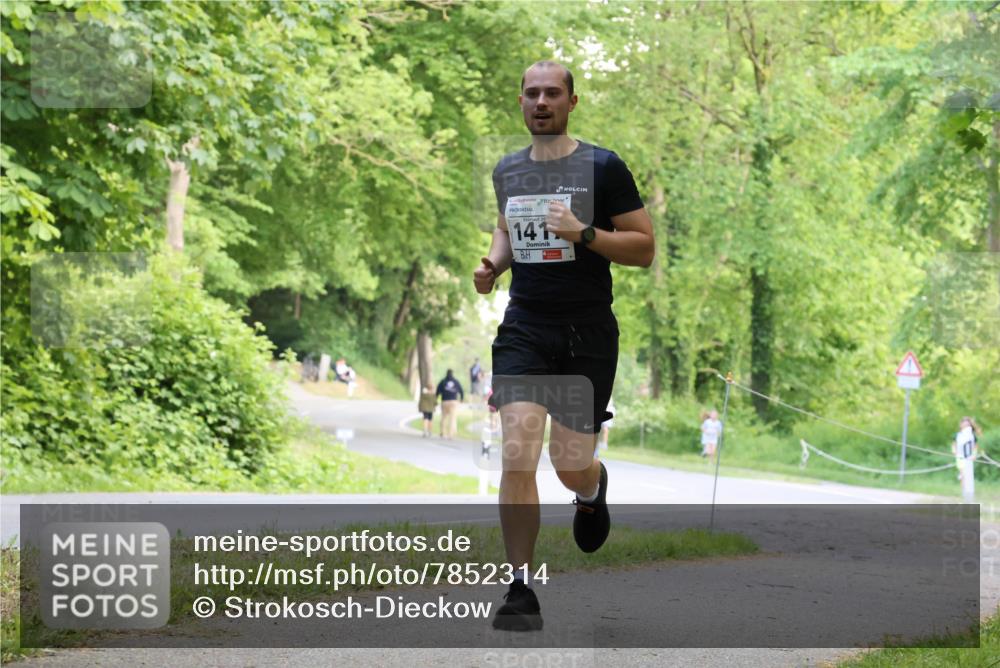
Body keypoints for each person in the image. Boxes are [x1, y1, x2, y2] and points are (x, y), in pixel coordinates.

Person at [473, 60, 654, 631]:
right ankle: (520, 590)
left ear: (573, 102)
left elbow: (644, 247)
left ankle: (592, 488)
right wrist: (494, 266)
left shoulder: (603, 166)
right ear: (520, 102)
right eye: (532, 93)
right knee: (518, 451)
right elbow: (507, 227)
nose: (541, 101)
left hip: (586, 332)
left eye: (553, 93)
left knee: (568, 464)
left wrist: (586, 234)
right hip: (525, 326)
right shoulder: (508, 170)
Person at [952, 416, 982, 503]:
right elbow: (954, 445)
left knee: (968, 476)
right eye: (964, 424)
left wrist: (974, 455)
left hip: (969, 459)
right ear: (961, 425)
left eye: (967, 424)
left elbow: (975, 447)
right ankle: (965, 494)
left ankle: (969, 495)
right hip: (960, 458)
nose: (965, 426)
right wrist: (954, 451)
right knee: (962, 474)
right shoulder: (957, 435)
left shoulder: (972, 436)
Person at [435, 369, 464, 439]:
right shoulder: (456, 381)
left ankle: (442, 432)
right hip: (453, 402)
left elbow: (437, 391)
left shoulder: (443, 381)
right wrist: (461, 399)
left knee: (443, 418)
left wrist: (436, 399)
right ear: (452, 374)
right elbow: (461, 390)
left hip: (445, 401)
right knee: (452, 419)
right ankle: (450, 435)